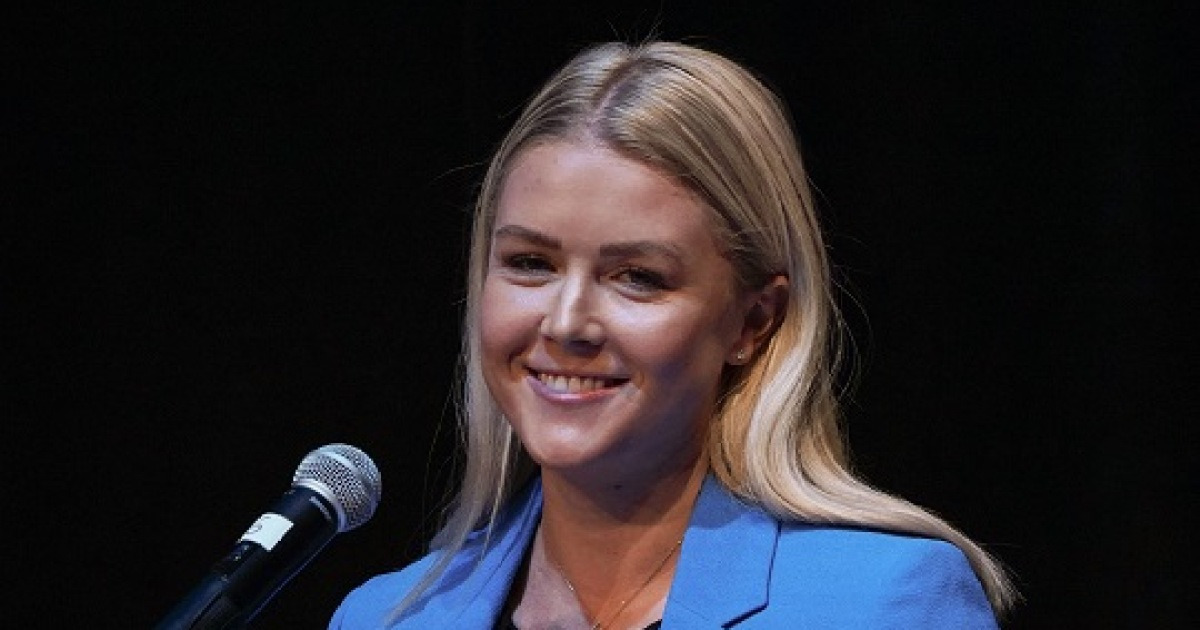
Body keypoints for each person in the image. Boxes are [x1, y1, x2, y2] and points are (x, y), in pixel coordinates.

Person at [330, 40, 1017, 629]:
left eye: (638, 277)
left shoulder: (880, 603)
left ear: (754, 320)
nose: (566, 323)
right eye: (531, 263)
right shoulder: (384, 618)